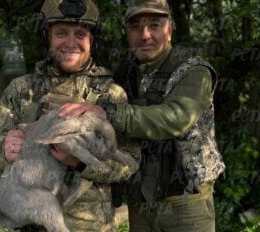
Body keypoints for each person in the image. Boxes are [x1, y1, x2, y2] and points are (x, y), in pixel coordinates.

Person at [58, 0, 226, 231]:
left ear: (170, 29)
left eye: (154, 25)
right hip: (141, 200)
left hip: (186, 202)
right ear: (126, 32)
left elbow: (176, 118)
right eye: (135, 26)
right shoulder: (125, 73)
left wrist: (110, 112)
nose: (145, 35)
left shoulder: (193, 70)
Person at [0, 0, 140, 231]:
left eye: (80, 34)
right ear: (48, 37)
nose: (71, 43)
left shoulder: (110, 94)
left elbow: (130, 163)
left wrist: (81, 164)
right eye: (61, 33)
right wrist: (2, 149)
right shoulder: (22, 89)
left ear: (91, 40)